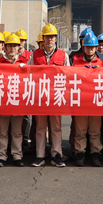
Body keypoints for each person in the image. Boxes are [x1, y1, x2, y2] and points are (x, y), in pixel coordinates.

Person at [31, 24, 68, 167]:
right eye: (47, 37)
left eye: (52, 37)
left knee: (56, 128)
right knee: (40, 128)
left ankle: (56, 155)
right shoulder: (35, 55)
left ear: (56, 38)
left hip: (56, 96)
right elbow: (28, 73)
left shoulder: (63, 55)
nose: (50, 39)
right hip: (40, 96)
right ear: (43, 38)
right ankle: (40, 155)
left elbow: (69, 75)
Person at [69, 34, 103, 167]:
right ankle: (80, 154)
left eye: (92, 47)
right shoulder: (75, 61)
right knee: (80, 131)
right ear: (83, 47)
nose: (90, 50)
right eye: (87, 47)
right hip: (81, 101)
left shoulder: (101, 62)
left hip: (96, 102)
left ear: (96, 48)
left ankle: (95, 154)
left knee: (95, 131)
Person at [0, 33, 27, 167]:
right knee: (2, 132)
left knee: (17, 132)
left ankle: (17, 155)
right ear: (5, 47)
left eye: (15, 45)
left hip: (18, 102)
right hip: (3, 101)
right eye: (10, 46)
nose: (12, 48)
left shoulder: (24, 63)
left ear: (19, 47)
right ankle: (1, 156)